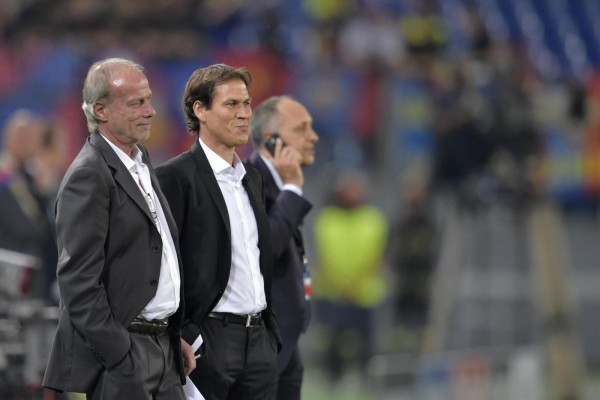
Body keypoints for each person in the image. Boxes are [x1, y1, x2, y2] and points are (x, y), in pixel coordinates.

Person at [42, 57, 195, 399]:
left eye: (149, 100)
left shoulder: (140, 162)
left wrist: (170, 335)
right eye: (136, 103)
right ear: (100, 110)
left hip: (163, 350)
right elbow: (78, 283)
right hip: (126, 357)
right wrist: (120, 355)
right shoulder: (89, 175)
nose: (150, 111)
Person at [156, 63, 281, 400]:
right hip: (208, 341)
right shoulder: (174, 177)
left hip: (258, 343)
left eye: (247, 104)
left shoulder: (253, 179)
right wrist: (185, 333)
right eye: (231, 104)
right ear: (200, 110)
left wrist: (270, 333)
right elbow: (162, 264)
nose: (244, 114)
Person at [246, 95, 318, 400]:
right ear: (271, 140)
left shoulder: (278, 184)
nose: (313, 137)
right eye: (302, 128)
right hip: (262, 342)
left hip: (286, 341)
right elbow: (268, 247)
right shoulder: (249, 182)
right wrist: (292, 188)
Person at [312, 171, 388, 386]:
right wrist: (339, 284)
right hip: (332, 291)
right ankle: (332, 377)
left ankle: (367, 377)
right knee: (331, 339)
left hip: (364, 293)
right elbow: (323, 255)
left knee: (365, 340)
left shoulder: (374, 219)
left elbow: (377, 256)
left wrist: (356, 284)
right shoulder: (327, 219)